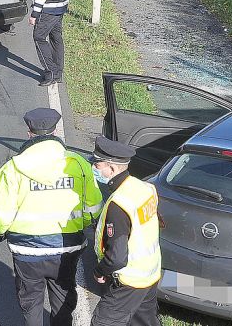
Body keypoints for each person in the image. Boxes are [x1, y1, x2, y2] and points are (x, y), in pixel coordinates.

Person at [0, 108, 103, 326]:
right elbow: (94, 206)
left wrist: (1, 232)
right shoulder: (78, 164)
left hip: (27, 251)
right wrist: (82, 224)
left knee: (30, 301)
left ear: (29, 133)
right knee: (63, 298)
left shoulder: (12, 169)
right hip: (66, 248)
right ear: (55, 131)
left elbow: (1, 214)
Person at [90, 136, 162, 326]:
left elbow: (117, 257)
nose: (94, 168)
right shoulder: (146, 187)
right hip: (150, 273)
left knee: (103, 322)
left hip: (130, 279)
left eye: (97, 165)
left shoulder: (119, 204)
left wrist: (99, 270)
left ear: (111, 169)